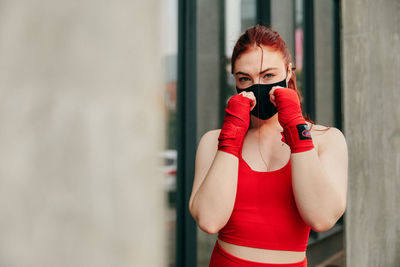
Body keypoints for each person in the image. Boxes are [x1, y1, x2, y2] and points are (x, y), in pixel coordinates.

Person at [188, 25, 348, 267]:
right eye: (245, 79)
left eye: (268, 76)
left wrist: (296, 130)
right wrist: (231, 137)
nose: (257, 86)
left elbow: (323, 218)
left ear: (289, 73)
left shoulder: (327, 139)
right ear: (235, 83)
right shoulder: (214, 141)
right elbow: (209, 221)